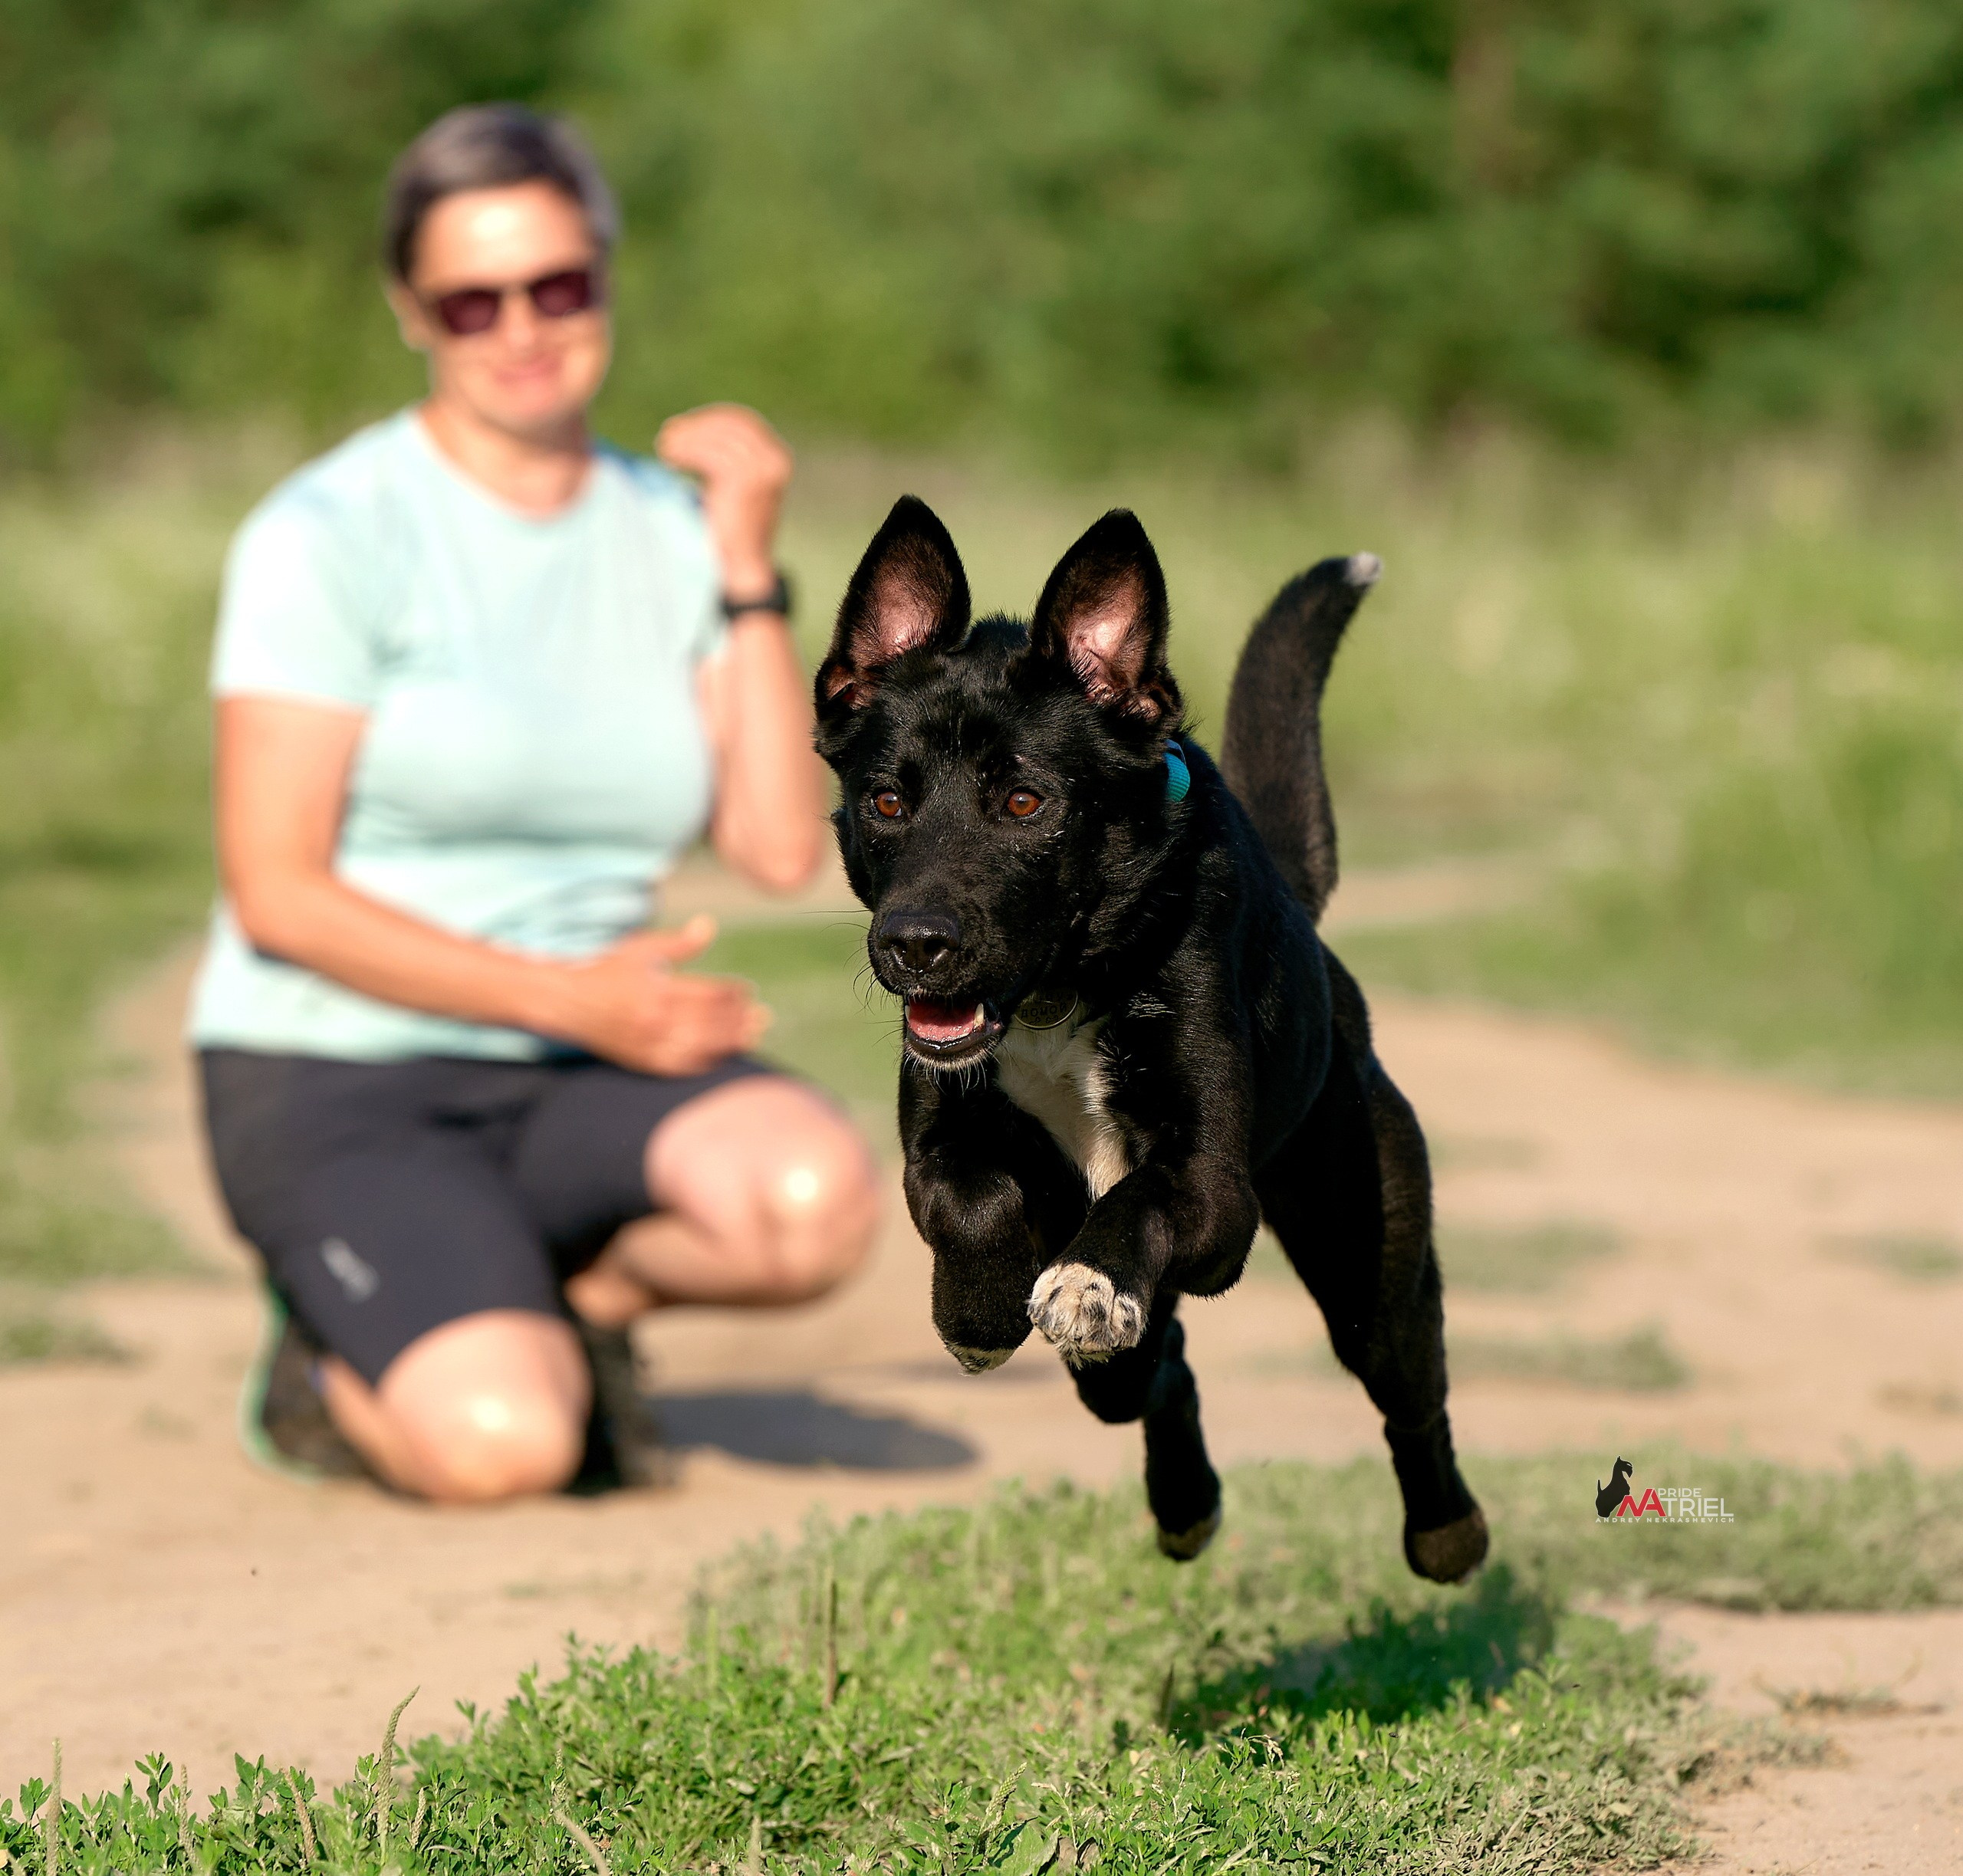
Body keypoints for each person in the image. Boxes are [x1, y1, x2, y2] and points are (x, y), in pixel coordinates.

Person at [190, 103, 881, 1503]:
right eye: (472, 298)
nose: (521, 326)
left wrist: (747, 570)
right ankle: (327, 1367)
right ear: (411, 310)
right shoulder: (326, 535)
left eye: (558, 285)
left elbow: (771, 847)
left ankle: (578, 1306)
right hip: (340, 1070)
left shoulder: (669, 530)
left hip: (583, 1069)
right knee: (509, 1448)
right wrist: (571, 1001)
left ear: (606, 284)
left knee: (816, 1208)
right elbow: (278, 893)